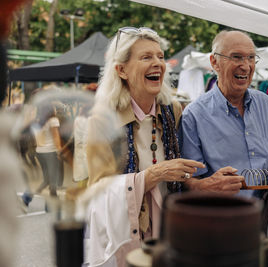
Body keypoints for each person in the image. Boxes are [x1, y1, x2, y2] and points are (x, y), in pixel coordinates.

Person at [83, 27, 204, 267]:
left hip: (170, 231)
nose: (158, 63)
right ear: (121, 70)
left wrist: (201, 182)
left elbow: (179, 175)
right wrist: (150, 177)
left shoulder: (174, 111)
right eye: (146, 57)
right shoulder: (102, 120)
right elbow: (96, 193)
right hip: (129, 234)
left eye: (160, 56)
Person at [180, 31, 268, 224]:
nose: (245, 66)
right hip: (222, 223)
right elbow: (186, 181)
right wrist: (208, 185)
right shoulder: (193, 116)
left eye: (251, 58)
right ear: (214, 62)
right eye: (236, 57)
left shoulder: (267, 105)